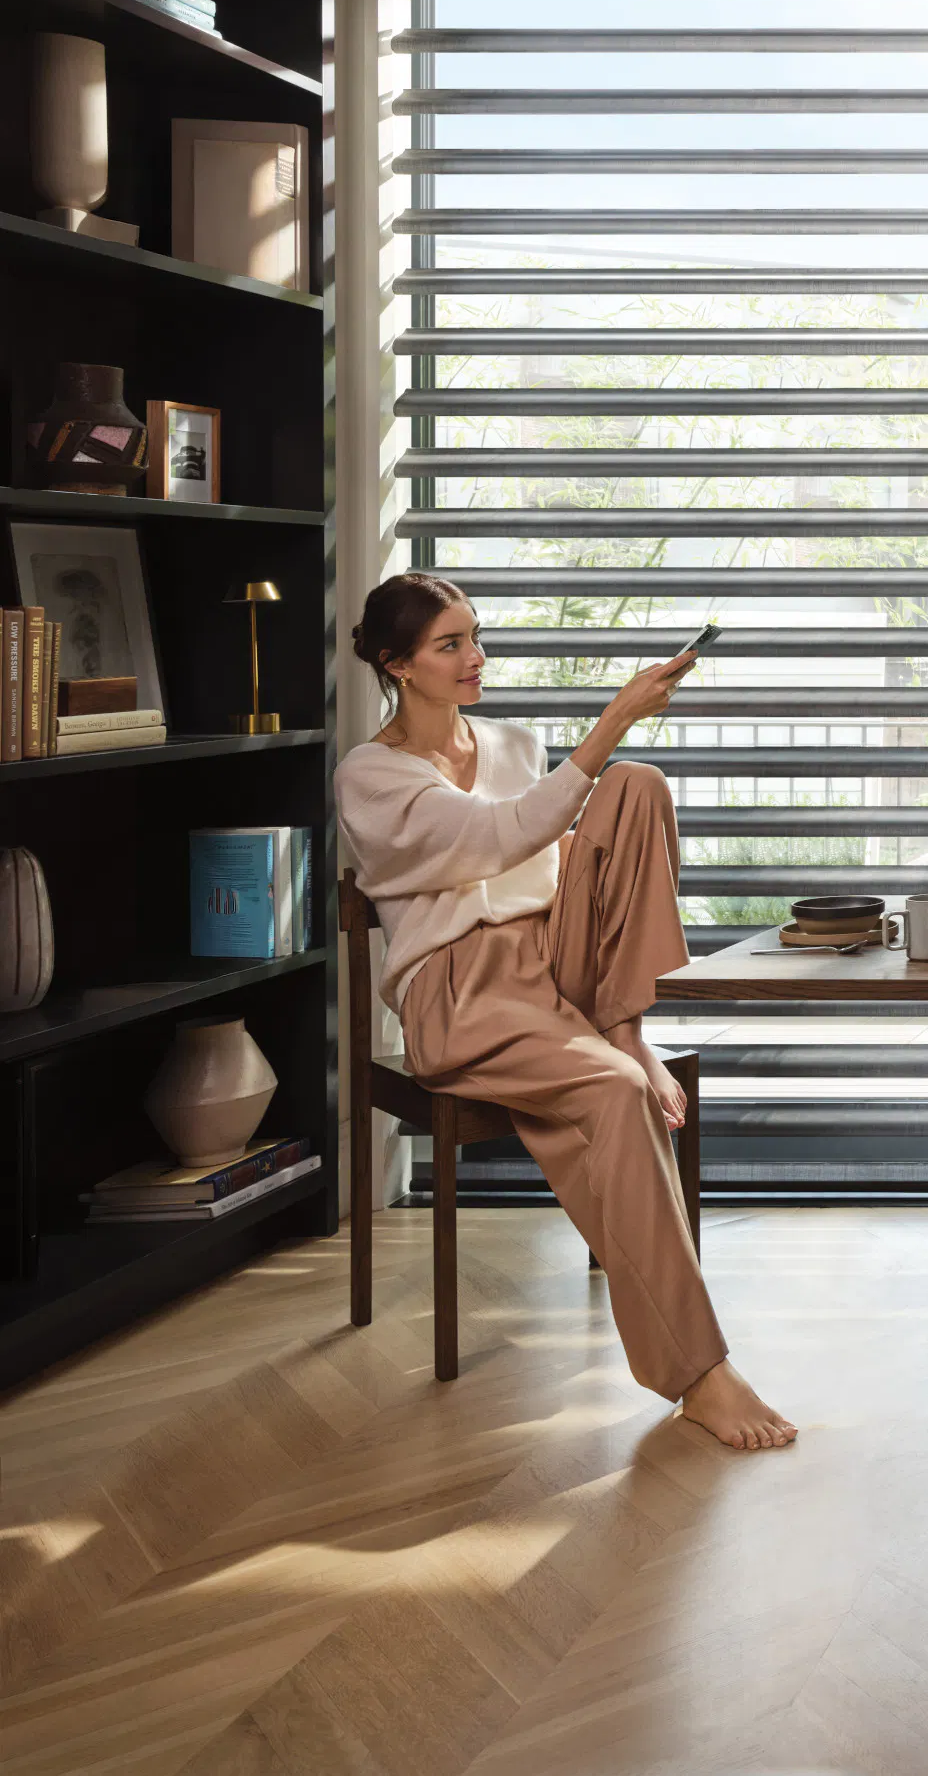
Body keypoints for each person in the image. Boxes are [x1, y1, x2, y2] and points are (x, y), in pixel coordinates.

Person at [332, 572, 794, 1450]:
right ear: (396, 665)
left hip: (552, 959)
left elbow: (544, 860)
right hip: (461, 992)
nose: (475, 657)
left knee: (637, 785)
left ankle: (625, 1026)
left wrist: (602, 796)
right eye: (449, 645)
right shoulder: (371, 776)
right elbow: (498, 837)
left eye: (475, 636)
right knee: (617, 1098)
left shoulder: (514, 742)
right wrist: (613, 718)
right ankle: (699, 1373)